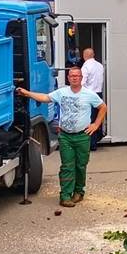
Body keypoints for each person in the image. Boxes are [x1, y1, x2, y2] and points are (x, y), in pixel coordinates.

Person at [18, 67, 105, 207]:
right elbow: (45, 98)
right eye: (72, 76)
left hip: (82, 136)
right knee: (67, 166)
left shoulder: (89, 94)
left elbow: (102, 107)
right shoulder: (62, 92)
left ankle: (78, 191)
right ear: (68, 78)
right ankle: (65, 196)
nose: (75, 78)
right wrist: (27, 93)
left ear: (81, 78)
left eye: (77, 76)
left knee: (80, 166)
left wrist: (96, 125)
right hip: (66, 136)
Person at [81, 47, 105, 151]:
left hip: (88, 95)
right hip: (98, 94)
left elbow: (82, 83)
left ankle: (90, 144)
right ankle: (96, 140)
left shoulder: (85, 66)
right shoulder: (100, 66)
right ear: (93, 55)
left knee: (88, 119)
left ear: (84, 56)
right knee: (97, 118)